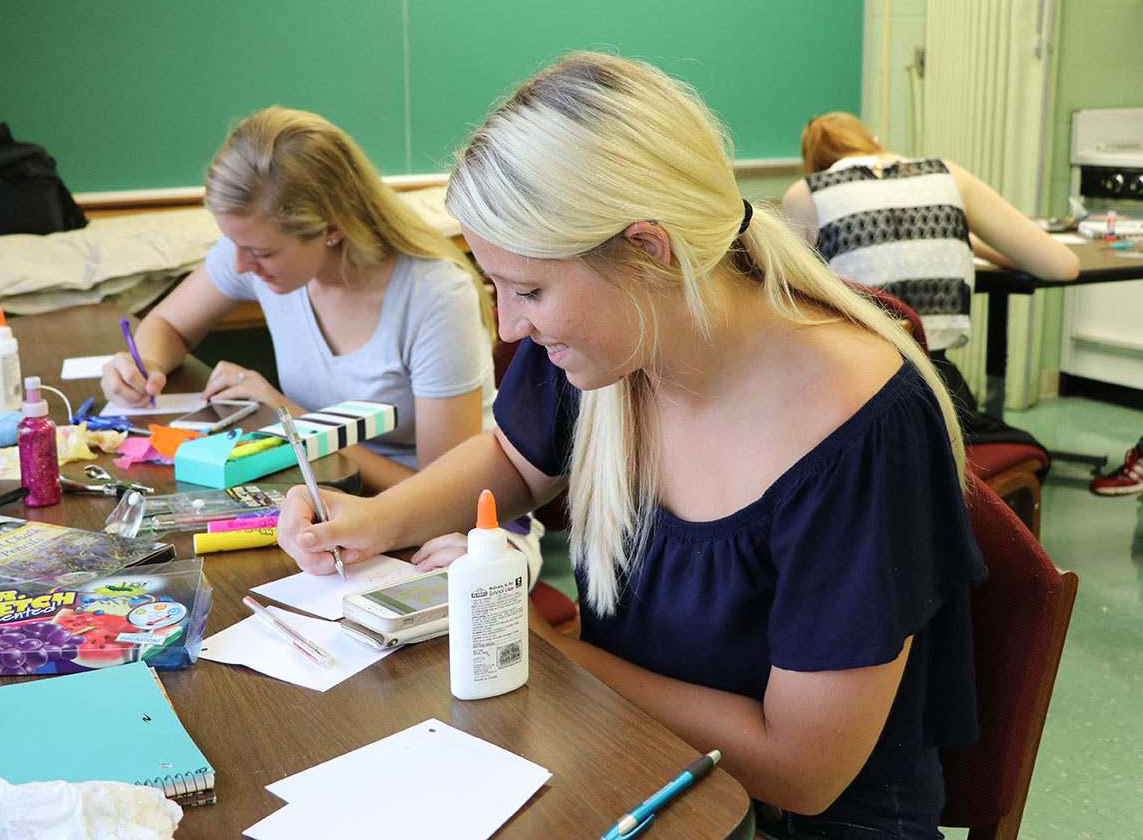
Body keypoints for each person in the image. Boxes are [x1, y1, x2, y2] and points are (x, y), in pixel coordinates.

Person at [277, 53, 988, 839]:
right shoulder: (607, 346)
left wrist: (535, 643)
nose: (509, 327)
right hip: (630, 753)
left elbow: (804, 771)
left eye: (531, 291)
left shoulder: (861, 430)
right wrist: (369, 522)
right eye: (496, 288)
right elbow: (516, 462)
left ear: (649, 251)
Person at [101, 106, 497, 494]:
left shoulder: (436, 298)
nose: (239, 265)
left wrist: (291, 423)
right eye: (234, 244)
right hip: (324, 489)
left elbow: (443, 497)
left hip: (457, 531)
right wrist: (145, 366)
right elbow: (167, 325)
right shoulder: (253, 249)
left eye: (263, 253)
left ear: (332, 227)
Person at [782, 111, 1079, 351]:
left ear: (813, 166)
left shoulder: (807, 192)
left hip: (857, 372)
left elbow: (786, 303)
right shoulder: (946, 174)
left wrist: (961, 238)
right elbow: (1063, 266)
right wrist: (964, 238)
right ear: (875, 141)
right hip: (938, 377)